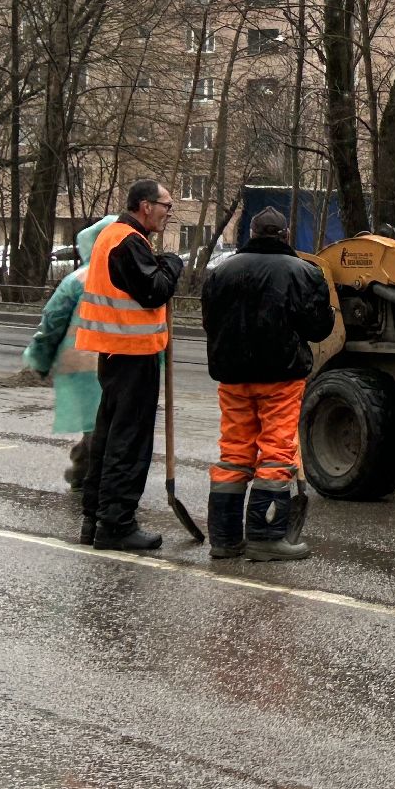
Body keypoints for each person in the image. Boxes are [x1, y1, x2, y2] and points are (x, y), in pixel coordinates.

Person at [201, 207, 334, 561]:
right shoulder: (304, 272)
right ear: (286, 234)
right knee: (276, 452)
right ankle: (266, 536)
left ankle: (225, 539)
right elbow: (320, 328)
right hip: (281, 375)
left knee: (234, 451)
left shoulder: (219, 272)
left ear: (252, 232)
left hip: (232, 377)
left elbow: (209, 323)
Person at [75, 180, 184, 551]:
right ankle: (116, 524)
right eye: (165, 205)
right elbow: (154, 289)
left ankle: (96, 518)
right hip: (132, 353)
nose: (169, 212)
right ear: (143, 205)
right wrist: (171, 264)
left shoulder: (117, 236)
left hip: (118, 352)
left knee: (108, 436)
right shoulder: (127, 241)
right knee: (128, 441)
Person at [22, 216, 117, 490]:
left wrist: (40, 358)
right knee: (104, 424)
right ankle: (91, 474)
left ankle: (89, 470)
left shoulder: (76, 279)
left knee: (99, 423)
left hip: (81, 363)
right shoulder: (132, 275)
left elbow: (51, 321)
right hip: (114, 362)